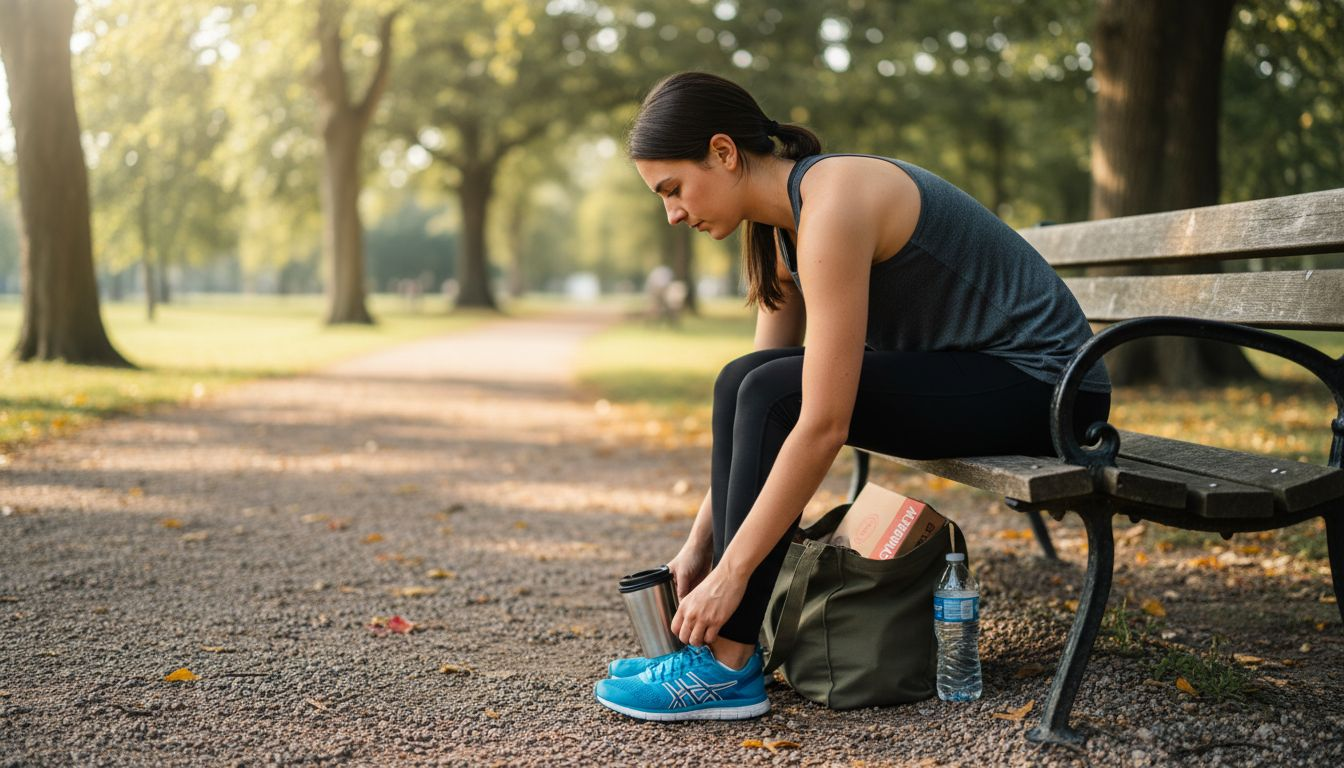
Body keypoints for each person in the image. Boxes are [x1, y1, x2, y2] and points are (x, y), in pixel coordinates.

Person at [593, 72, 1111, 722]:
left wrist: (732, 575)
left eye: (673, 189)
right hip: (975, 375)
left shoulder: (834, 204)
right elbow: (754, 395)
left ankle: (727, 662)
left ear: (724, 153)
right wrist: (701, 548)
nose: (672, 212)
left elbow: (820, 423)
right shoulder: (783, 229)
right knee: (744, 377)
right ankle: (725, 659)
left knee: (773, 390)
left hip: (1049, 389)